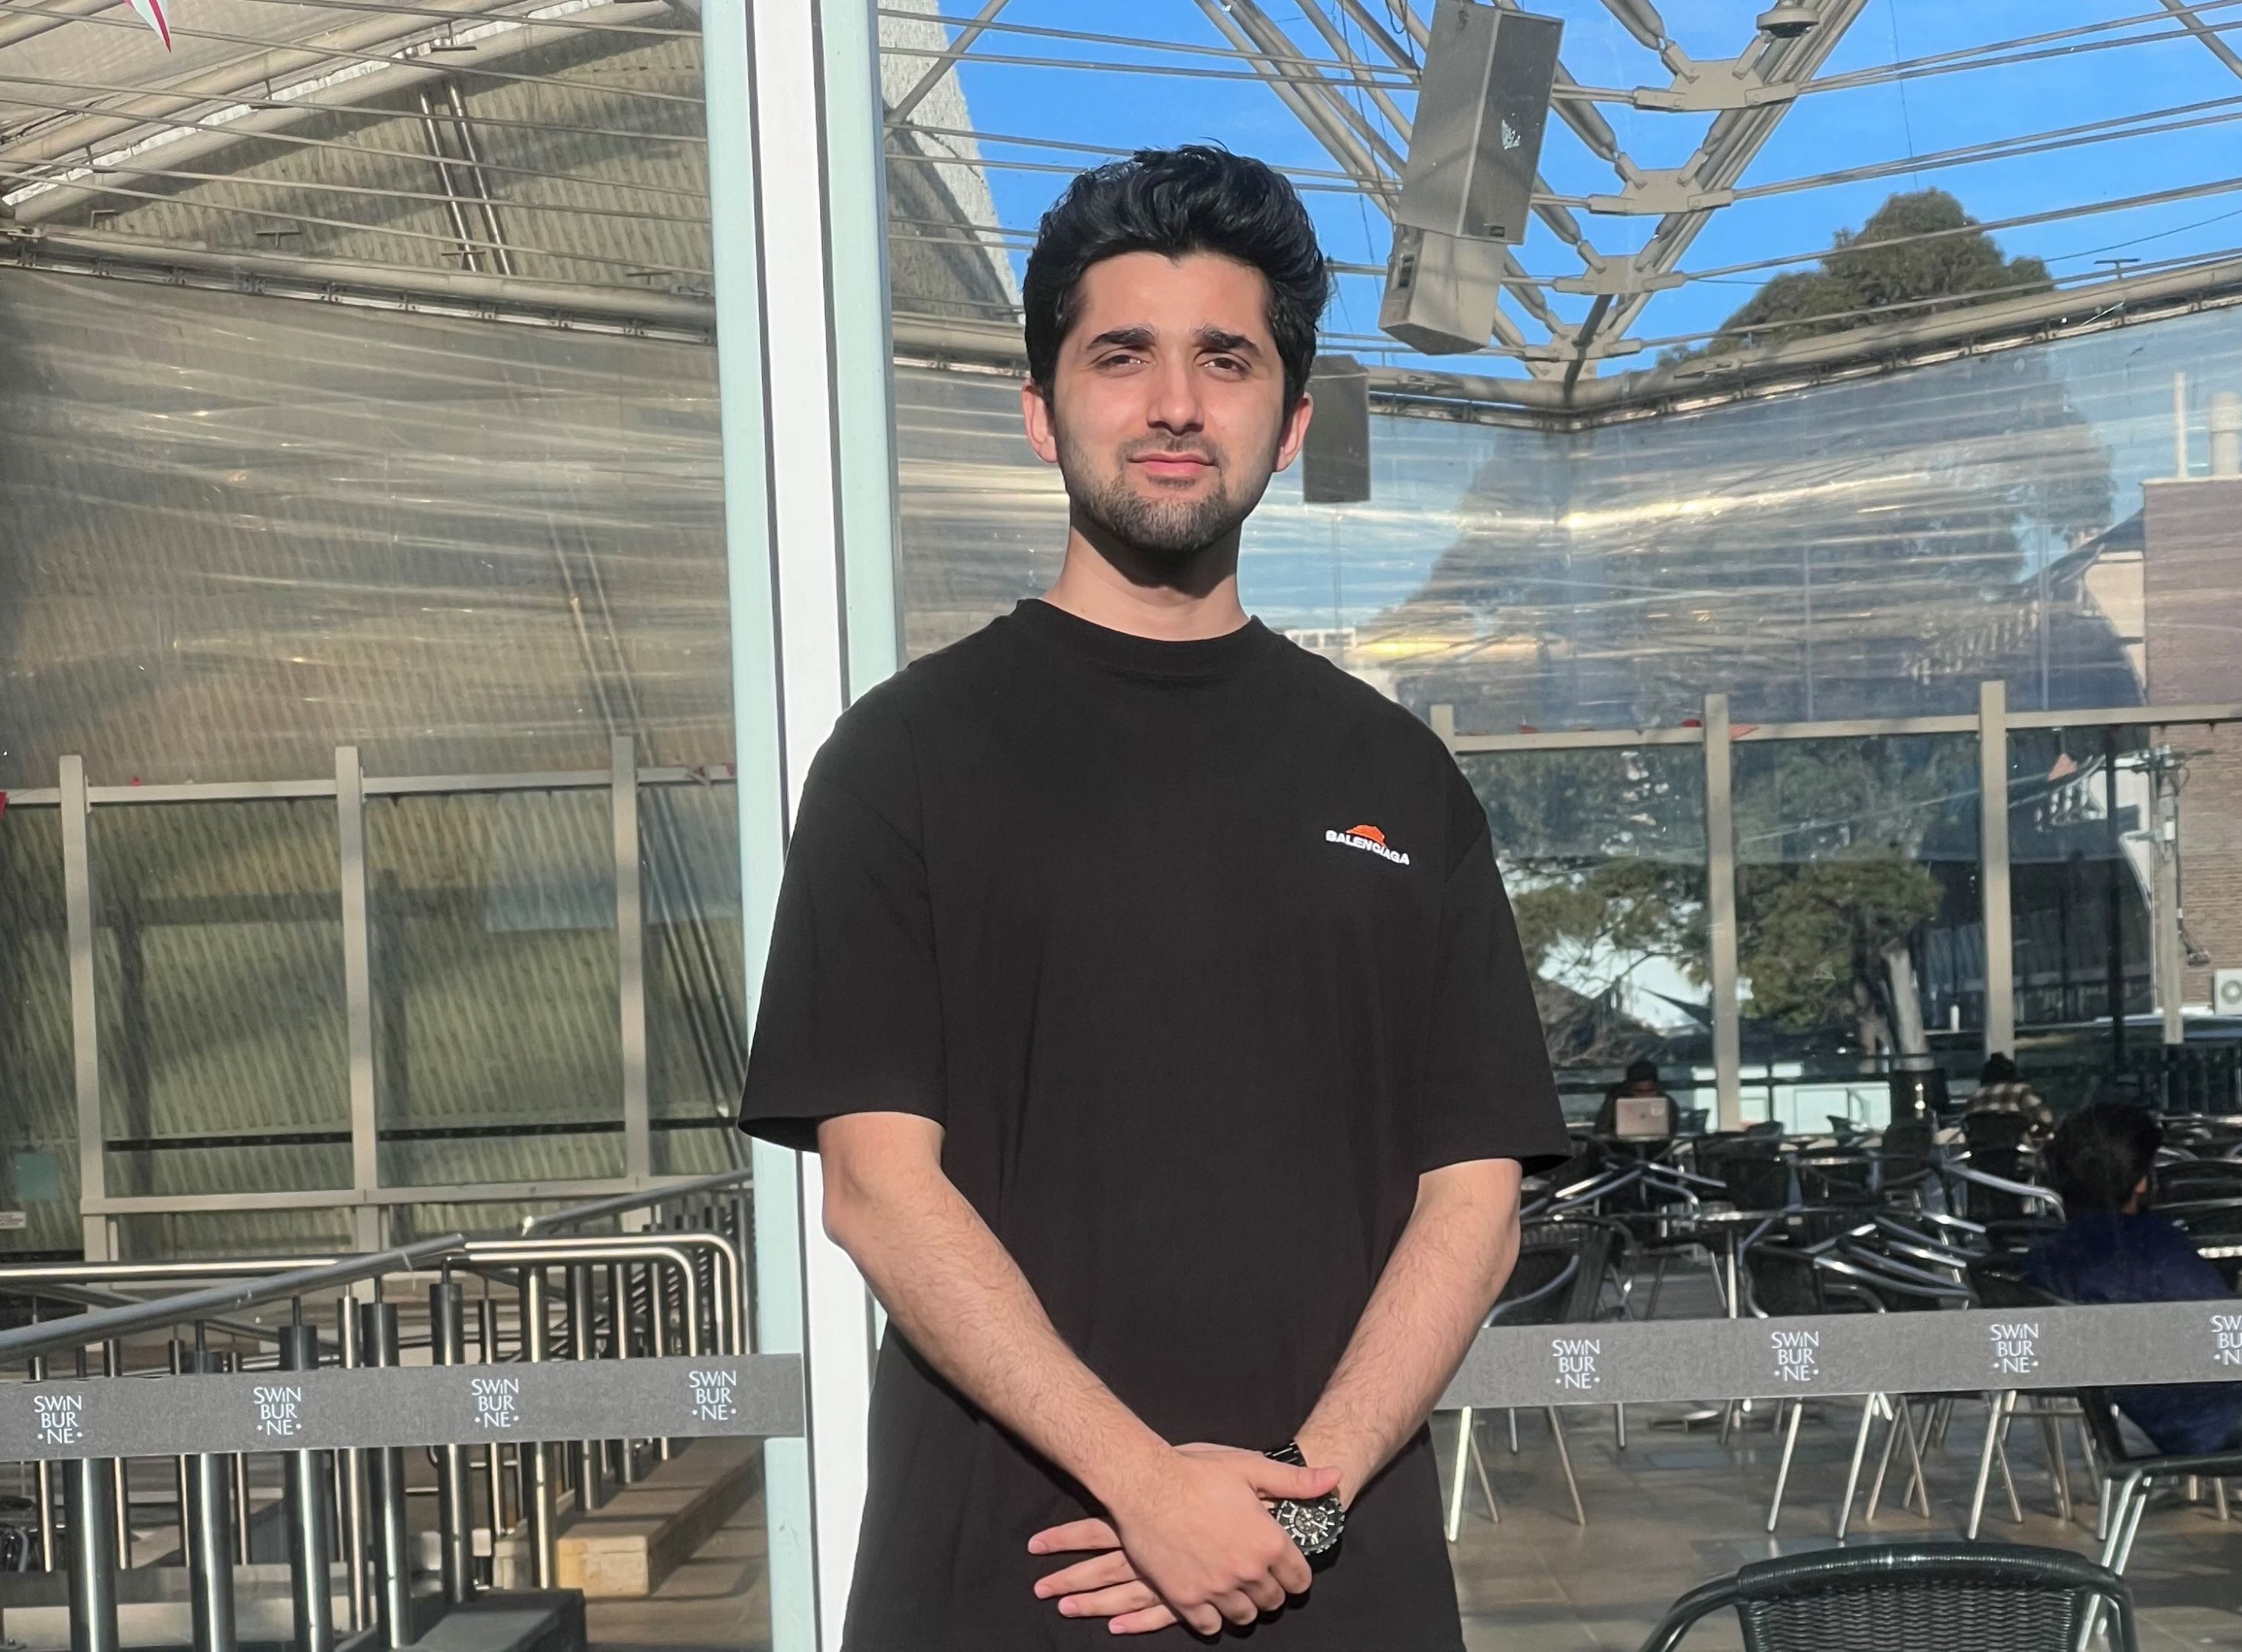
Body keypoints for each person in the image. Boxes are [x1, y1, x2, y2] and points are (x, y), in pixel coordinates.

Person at [737, 145, 1569, 1649]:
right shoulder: (906, 759)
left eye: (1224, 360)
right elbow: (875, 1188)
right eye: (1120, 355)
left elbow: (1474, 1201)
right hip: (1005, 1588)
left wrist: (1295, 1504)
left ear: (1290, 421)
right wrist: (1148, 1487)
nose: (1175, 404)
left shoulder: (1395, 774)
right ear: (1040, 407)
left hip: (1332, 1582)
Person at [2027, 1102, 2240, 1453]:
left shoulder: (2050, 1256)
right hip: (2202, 1420)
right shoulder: (2153, 1247)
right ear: (2140, 1181)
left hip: (2126, 1421)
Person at [1962, 1052, 2053, 1137]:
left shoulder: (1975, 1096)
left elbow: (1965, 1125)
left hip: (1979, 1146)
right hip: (2013, 1144)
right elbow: (2044, 1116)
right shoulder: (2020, 1090)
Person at [1594, 1057, 1680, 1140]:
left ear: (1656, 1086)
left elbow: (1672, 1131)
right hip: (1620, 1146)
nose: (1644, 1096)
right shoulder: (1615, 1102)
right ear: (1628, 1087)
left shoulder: (1668, 1103)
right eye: (1638, 1091)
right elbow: (1601, 1130)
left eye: (1649, 1091)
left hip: (1657, 1146)